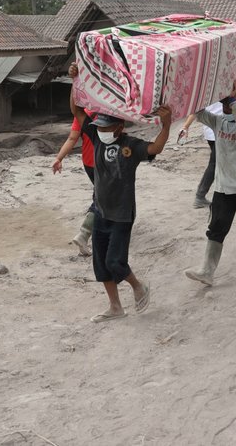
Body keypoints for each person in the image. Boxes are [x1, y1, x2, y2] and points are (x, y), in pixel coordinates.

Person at [68, 62, 172, 323]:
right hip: (101, 211)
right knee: (101, 265)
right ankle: (115, 307)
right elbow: (77, 110)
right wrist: (75, 81)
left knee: (116, 262)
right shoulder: (94, 133)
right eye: (100, 127)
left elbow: (155, 149)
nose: (101, 130)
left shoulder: (131, 146)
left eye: (106, 127)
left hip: (122, 214)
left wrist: (166, 125)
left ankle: (139, 287)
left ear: (119, 128)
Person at [185, 88, 236, 287]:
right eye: (225, 102)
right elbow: (199, 113)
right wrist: (202, 92)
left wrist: (234, 102)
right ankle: (207, 271)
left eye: (231, 102)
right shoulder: (218, 122)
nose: (226, 105)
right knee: (216, 228)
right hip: (223, 186)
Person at [52, 108, 98, 256]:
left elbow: (72, 138)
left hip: (89, 162)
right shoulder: (109, 107)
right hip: (105, 162)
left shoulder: (83, 112)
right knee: (103, 197)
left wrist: (59, 158)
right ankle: (84, 234)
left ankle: (96, 230)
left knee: (103, 194)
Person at [178, 101, 224, 208]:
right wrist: (185, 127)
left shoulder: (206, 89)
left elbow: (195, 110)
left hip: (211, 131)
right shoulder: (222, 88)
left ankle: (202, 195)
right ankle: (200, 195)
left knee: (218, 164)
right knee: (215, 164)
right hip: (219, 131)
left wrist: (185, 127)